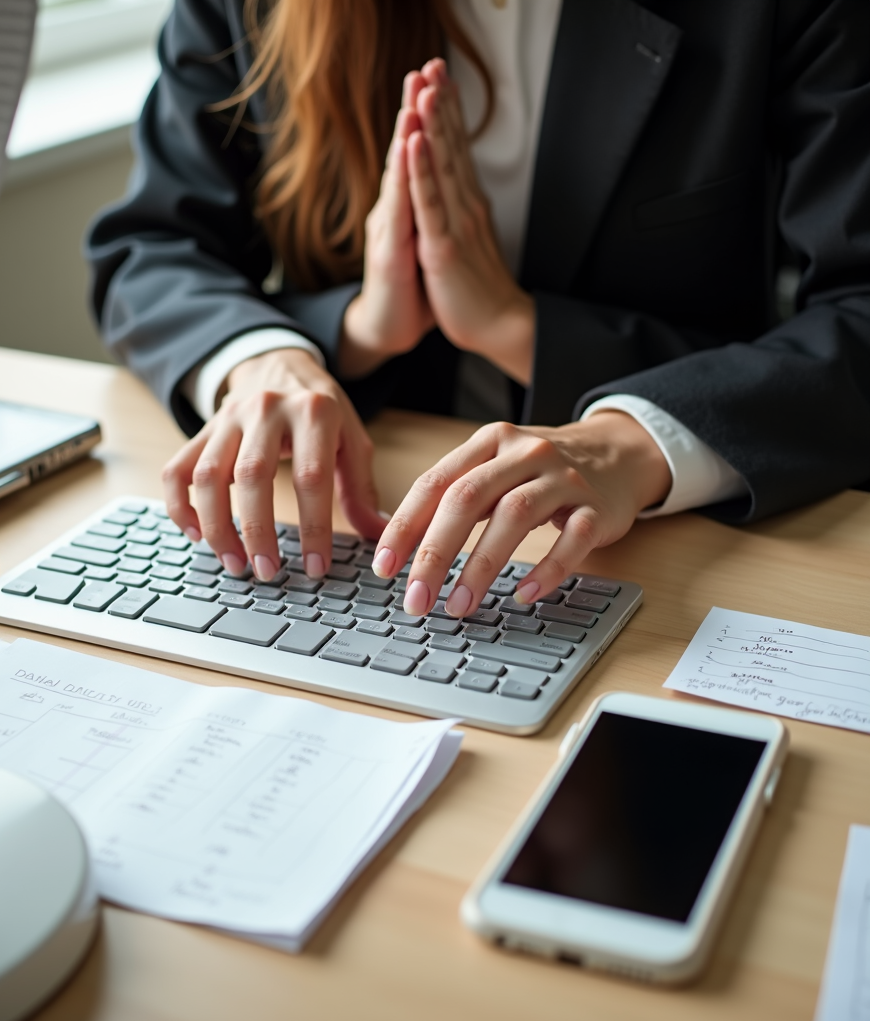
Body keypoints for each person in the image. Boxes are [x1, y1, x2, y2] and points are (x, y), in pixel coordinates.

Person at [87, 0, 870, 620]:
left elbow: (857, 305)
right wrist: (290, 351)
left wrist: (631, 437)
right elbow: (152, 244)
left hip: (670, 544)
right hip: (363, 510)